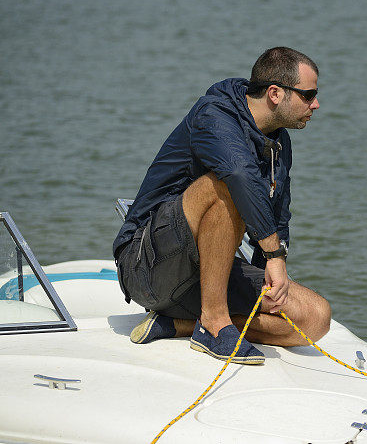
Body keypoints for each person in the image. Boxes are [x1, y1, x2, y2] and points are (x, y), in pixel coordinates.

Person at [113, 46, 331, 365]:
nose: (316, 104)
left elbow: (278, 214)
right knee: (225, 184)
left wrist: (269, 273)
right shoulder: (214, 116)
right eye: (309, 94)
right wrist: (273, 256)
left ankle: (184, 325)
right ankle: (215, 326)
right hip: (147, 267)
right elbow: (240, 175)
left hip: (207, 272)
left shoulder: (277, 141)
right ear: (275, 93)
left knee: (314, 318)